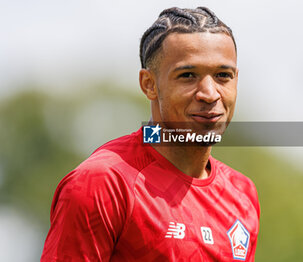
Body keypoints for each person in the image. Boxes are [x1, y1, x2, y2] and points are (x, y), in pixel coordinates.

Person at [41, 6, 260, 262]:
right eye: (188, 76)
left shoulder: (242, 194)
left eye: (223, 76)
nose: (210, 93)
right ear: (149, 85)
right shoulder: (102, 184)